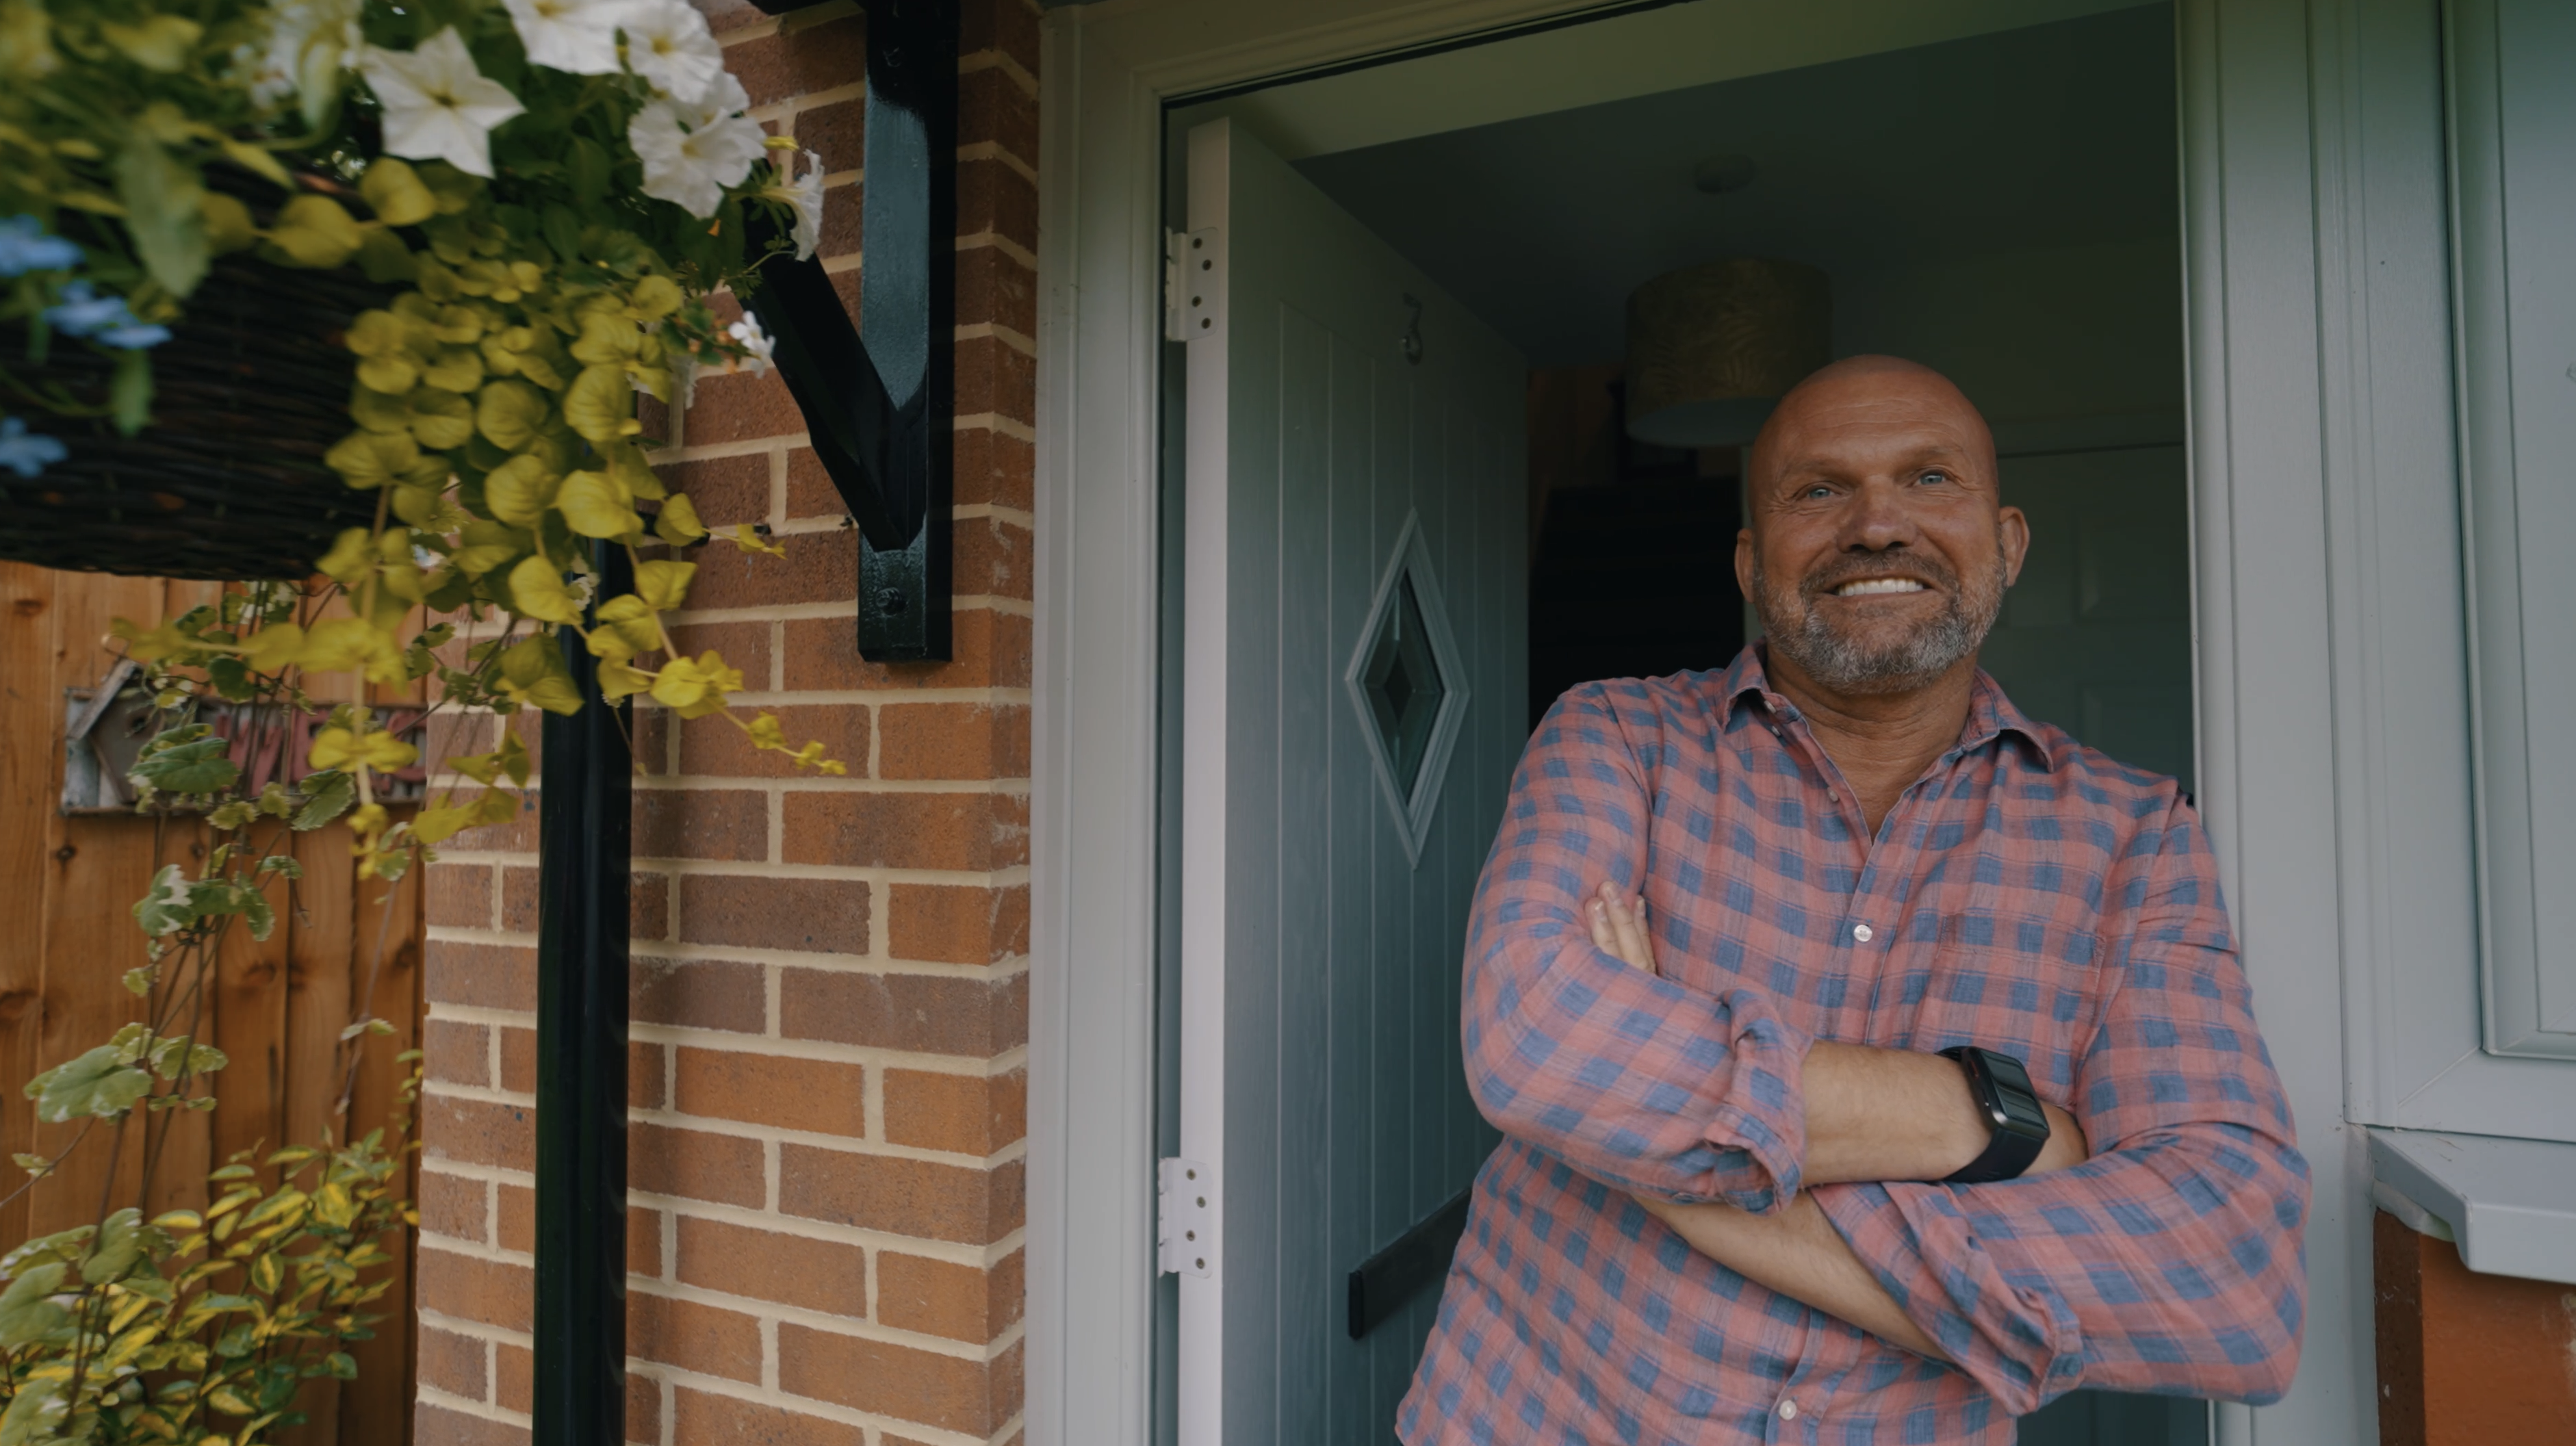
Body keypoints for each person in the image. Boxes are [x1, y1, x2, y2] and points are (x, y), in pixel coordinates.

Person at [1398, 357, 2310, 1444]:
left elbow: (2233, 1277)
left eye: (1930, 480)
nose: (1877, 525)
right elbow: (1532, 1040)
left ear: (2009, 544)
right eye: (1818, 490)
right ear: (1749, 561)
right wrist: (1994, 1122)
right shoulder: (1616, 734)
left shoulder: (2137, 838)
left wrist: (1668, 1164)